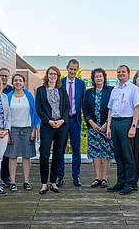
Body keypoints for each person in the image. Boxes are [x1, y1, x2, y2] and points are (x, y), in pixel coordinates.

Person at [106, 65, 139, 195]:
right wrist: (109, 126)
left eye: (123, 72)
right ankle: (120, 182)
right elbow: (110, 109)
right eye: (119, 72)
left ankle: (130, 184)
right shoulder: (114, 90)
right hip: (114, 123)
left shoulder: (134, 89)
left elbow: (137, 108)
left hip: (127, 123)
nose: (120, 74)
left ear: (128, 74)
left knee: (128, 155)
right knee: (119, 156)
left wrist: (133, 126)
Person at [36, 66, 70, 195]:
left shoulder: (62, 90)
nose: (53, 76)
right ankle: (44, 183)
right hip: (47, 125)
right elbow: (38, 108)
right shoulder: (40, 90)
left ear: (58, 76)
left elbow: (67, 107)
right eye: (50, 74)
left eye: (55, 74)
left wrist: (62, 120)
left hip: (61, 126)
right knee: (44, 153)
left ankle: (53, 182)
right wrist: (48, 121)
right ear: (47, 75)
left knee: (58, 154)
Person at [5, 74, 41, 192]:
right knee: (12, 156)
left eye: (20, 80)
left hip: (27, 129)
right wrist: (7, 132)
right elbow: (5, 116)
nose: (18, 82)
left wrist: (34, 130)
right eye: (16, 81)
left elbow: (34, 113)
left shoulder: (29, 95)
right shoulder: (8, 96)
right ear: (13, 83)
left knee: (27, 156)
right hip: (13, 129)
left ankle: (26, 181)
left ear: (24, 82)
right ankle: (13, 182)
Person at [82, 68, 113, 188]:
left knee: (106, 152)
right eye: (96, 77)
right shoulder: (89, 92)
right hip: (93, 128)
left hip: (107, 127)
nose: (99, 78)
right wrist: (91, 123)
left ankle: (104, 178)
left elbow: (113, 108)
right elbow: (85, 108)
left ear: (104, 78)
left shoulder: (110, 91)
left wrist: (106, 124)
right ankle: (97, 178)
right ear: (93, 79)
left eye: (101, 76)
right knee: (95, 152)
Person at [57, 59, 86, 187]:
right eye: (71, 69)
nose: (73, 71)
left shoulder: (81, 84)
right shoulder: (60, 82)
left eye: (75, 69)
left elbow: (84, 103)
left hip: (75, 120)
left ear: (77, 70)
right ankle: (60, 176)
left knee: (76, 150)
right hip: (62, 121)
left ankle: (76, 176)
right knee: (60, 149)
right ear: (67, 68)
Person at [0, 67, 14, 187]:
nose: (4, 78)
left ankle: (5, 177)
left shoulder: (12, 91)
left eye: (6, 76)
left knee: (6, 154)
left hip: (7, 126)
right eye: (2, 75)